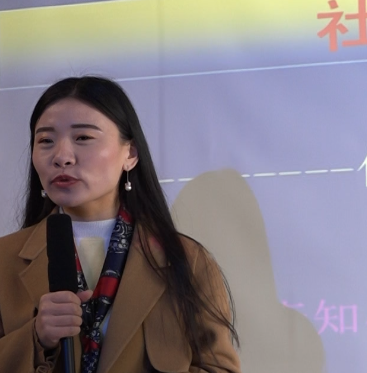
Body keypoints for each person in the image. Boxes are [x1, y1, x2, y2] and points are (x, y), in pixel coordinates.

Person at [0, 76, 241, 372]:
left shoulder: (186, 260)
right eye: (46, 141)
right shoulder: (4, 260)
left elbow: (219, 367)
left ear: (130, 154)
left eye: (83, 138)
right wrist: (37, 338)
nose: (62, 156)